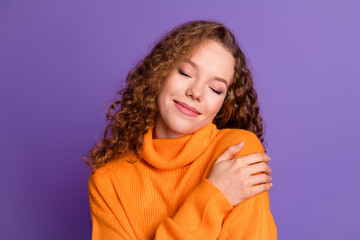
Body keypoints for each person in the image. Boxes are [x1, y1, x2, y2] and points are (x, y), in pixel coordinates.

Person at [85, 20, 277, 239]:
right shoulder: (108, 181)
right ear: (159, 73)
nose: (196, 92)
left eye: (215, 89)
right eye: (186, 73)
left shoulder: (238, 151)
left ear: (224, 104)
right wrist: (214, 197)